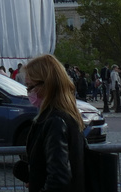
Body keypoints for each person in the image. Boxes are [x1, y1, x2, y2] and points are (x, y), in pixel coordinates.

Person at [13, 55, 84, 192]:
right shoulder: (66, 116)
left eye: (30, 86)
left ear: (45, 85)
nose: (28, 93)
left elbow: (59, 178)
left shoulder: (55, 121)